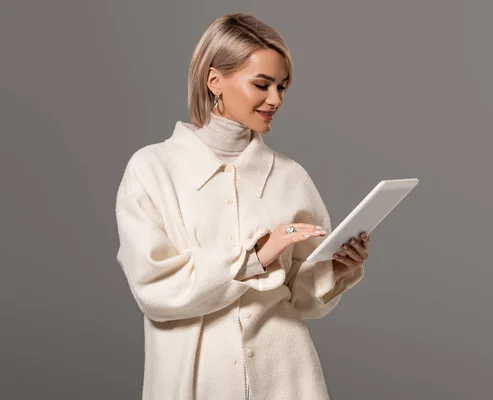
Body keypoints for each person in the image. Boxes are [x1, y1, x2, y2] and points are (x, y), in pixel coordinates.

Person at [115, 13, 370, 400]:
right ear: (214, 80)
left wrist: (334, 269)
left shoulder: (290, 177)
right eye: (262, 84)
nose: (276, 99)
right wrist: (255, 257)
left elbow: (301, 300)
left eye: (282, 86)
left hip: (287, 377)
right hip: (196, 381)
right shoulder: (152, 170)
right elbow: (155, 290)